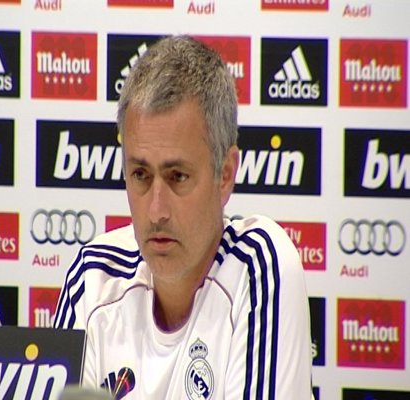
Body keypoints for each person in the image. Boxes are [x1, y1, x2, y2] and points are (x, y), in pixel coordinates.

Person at [54, 35, 313, 399]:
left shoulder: (259, 267)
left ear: (225, 175)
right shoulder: (94, 276)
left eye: (177, 177)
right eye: (140, 175)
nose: (156, 210)